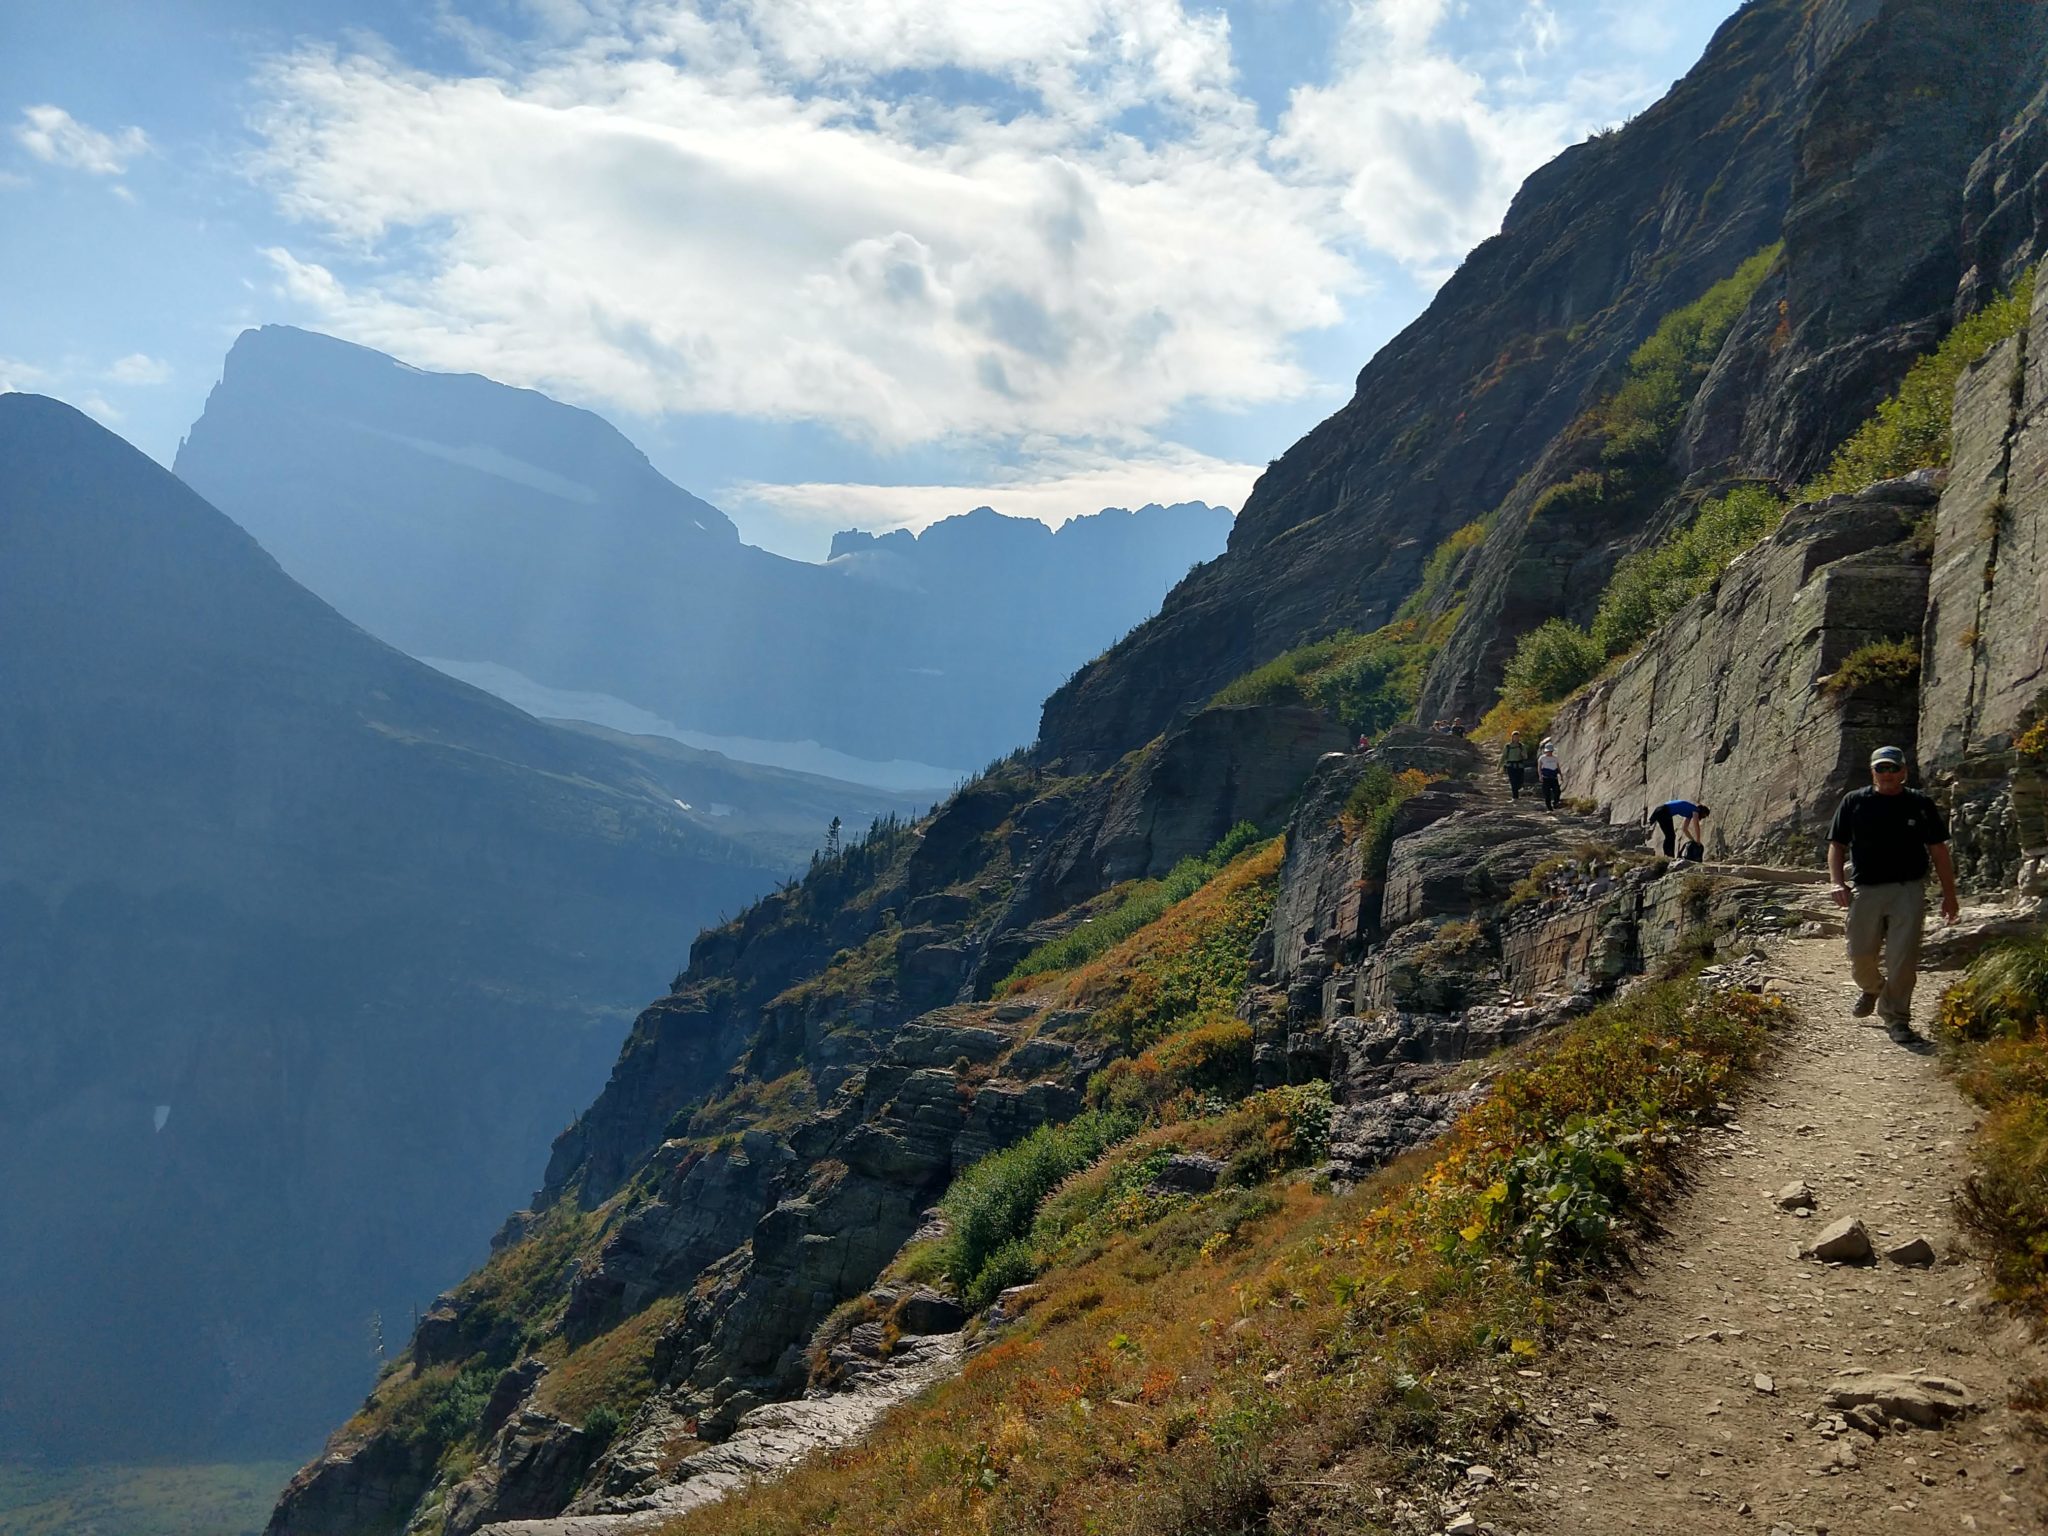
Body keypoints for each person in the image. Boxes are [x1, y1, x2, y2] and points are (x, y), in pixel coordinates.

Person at [1828, 745, 1960, 1043]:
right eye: (1881, 769)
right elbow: (1837, 845)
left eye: (1893, 769)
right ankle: (1872, 987)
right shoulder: (1854, 802)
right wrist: (1837, 882)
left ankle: (1897, 1018)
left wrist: (1949, 895)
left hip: (1908, 891)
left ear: (1903, 772)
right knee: (1859, 954)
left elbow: (1938, 851)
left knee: (1903, 959)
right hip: (1866, 890)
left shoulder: (1920, 803)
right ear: (1872, 771)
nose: (1887, 774)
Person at [1501, 730, 1532, 800]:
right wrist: (1499, 766)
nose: (1516, 738)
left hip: (1519, 766)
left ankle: (1517, 791)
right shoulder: (1508, 746)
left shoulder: (1521, 746)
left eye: (1517, 737)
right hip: (1510, 766)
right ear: (1512, 737)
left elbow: (1525, 756)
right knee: (1513, 782)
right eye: (1514, 737)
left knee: (1520, 781)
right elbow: (1503, 756)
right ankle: (1515, 797)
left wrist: (1523, 754)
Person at [1537, 740, 1563, 810]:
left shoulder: (1555, 758)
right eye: (1548, 751)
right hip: (1546, 777)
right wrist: (1540, 776)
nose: (1550, 752)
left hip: (1554, 777)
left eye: (1551, 751)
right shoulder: (1542, 758)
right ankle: (1549, 808)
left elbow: (1558, 767)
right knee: (1547, 794)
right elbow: (1539, 768)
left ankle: (1555, 802)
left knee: (1557, 791)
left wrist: (1561, 775)